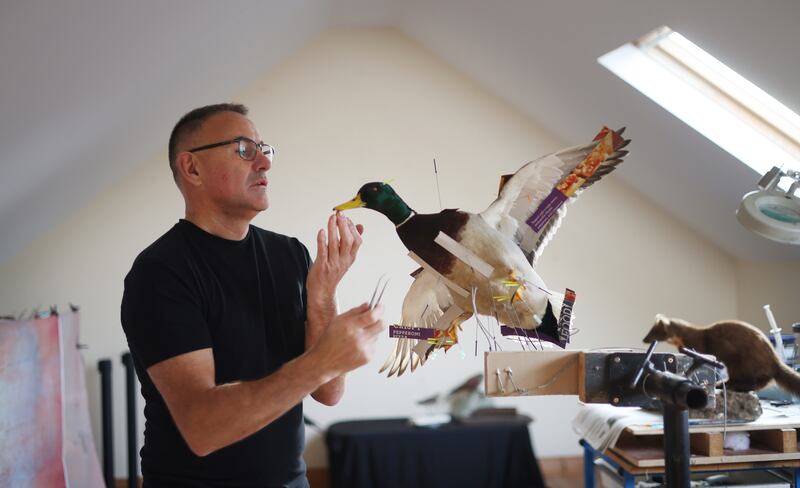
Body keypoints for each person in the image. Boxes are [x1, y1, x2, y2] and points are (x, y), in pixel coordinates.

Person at [121, 103, 384, 487]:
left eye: (265, 149)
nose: (264, 163)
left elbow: (329, 391)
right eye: (244, 149)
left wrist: (324, 293)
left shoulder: (290, 254)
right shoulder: (161, 273)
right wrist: (322, 360)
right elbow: (203, 428)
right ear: (191, 168)